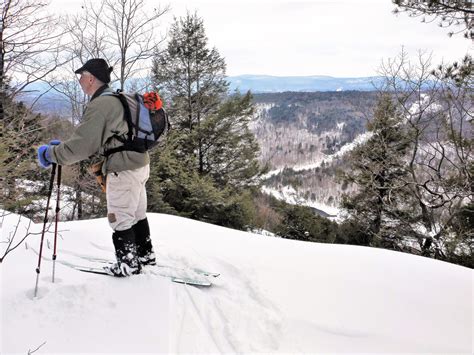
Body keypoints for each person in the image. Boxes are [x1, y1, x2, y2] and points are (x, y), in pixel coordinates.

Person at [37, 58, 156, 277]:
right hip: (139, 164)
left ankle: (127, 264)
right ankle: (145, 255)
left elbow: (82, 146)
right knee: (137, 212)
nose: (80, 81)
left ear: (91, 78)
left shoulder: (101, 104)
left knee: (120, 216)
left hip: (124, 168)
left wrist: (51, 154)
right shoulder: (118, 97)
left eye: (81, 76)